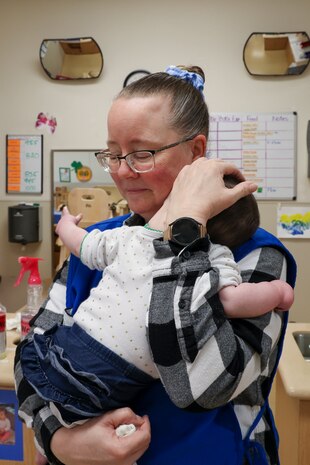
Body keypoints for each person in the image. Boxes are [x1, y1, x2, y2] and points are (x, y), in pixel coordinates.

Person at [14, 65, 296, 465]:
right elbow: (33, 353)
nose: (123, 172)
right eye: (113, 154)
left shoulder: (252, 254)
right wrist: (59, 441)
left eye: (142, 153)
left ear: (196, 152)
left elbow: (201, 388)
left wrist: (182, 236)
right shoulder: (104, 241)